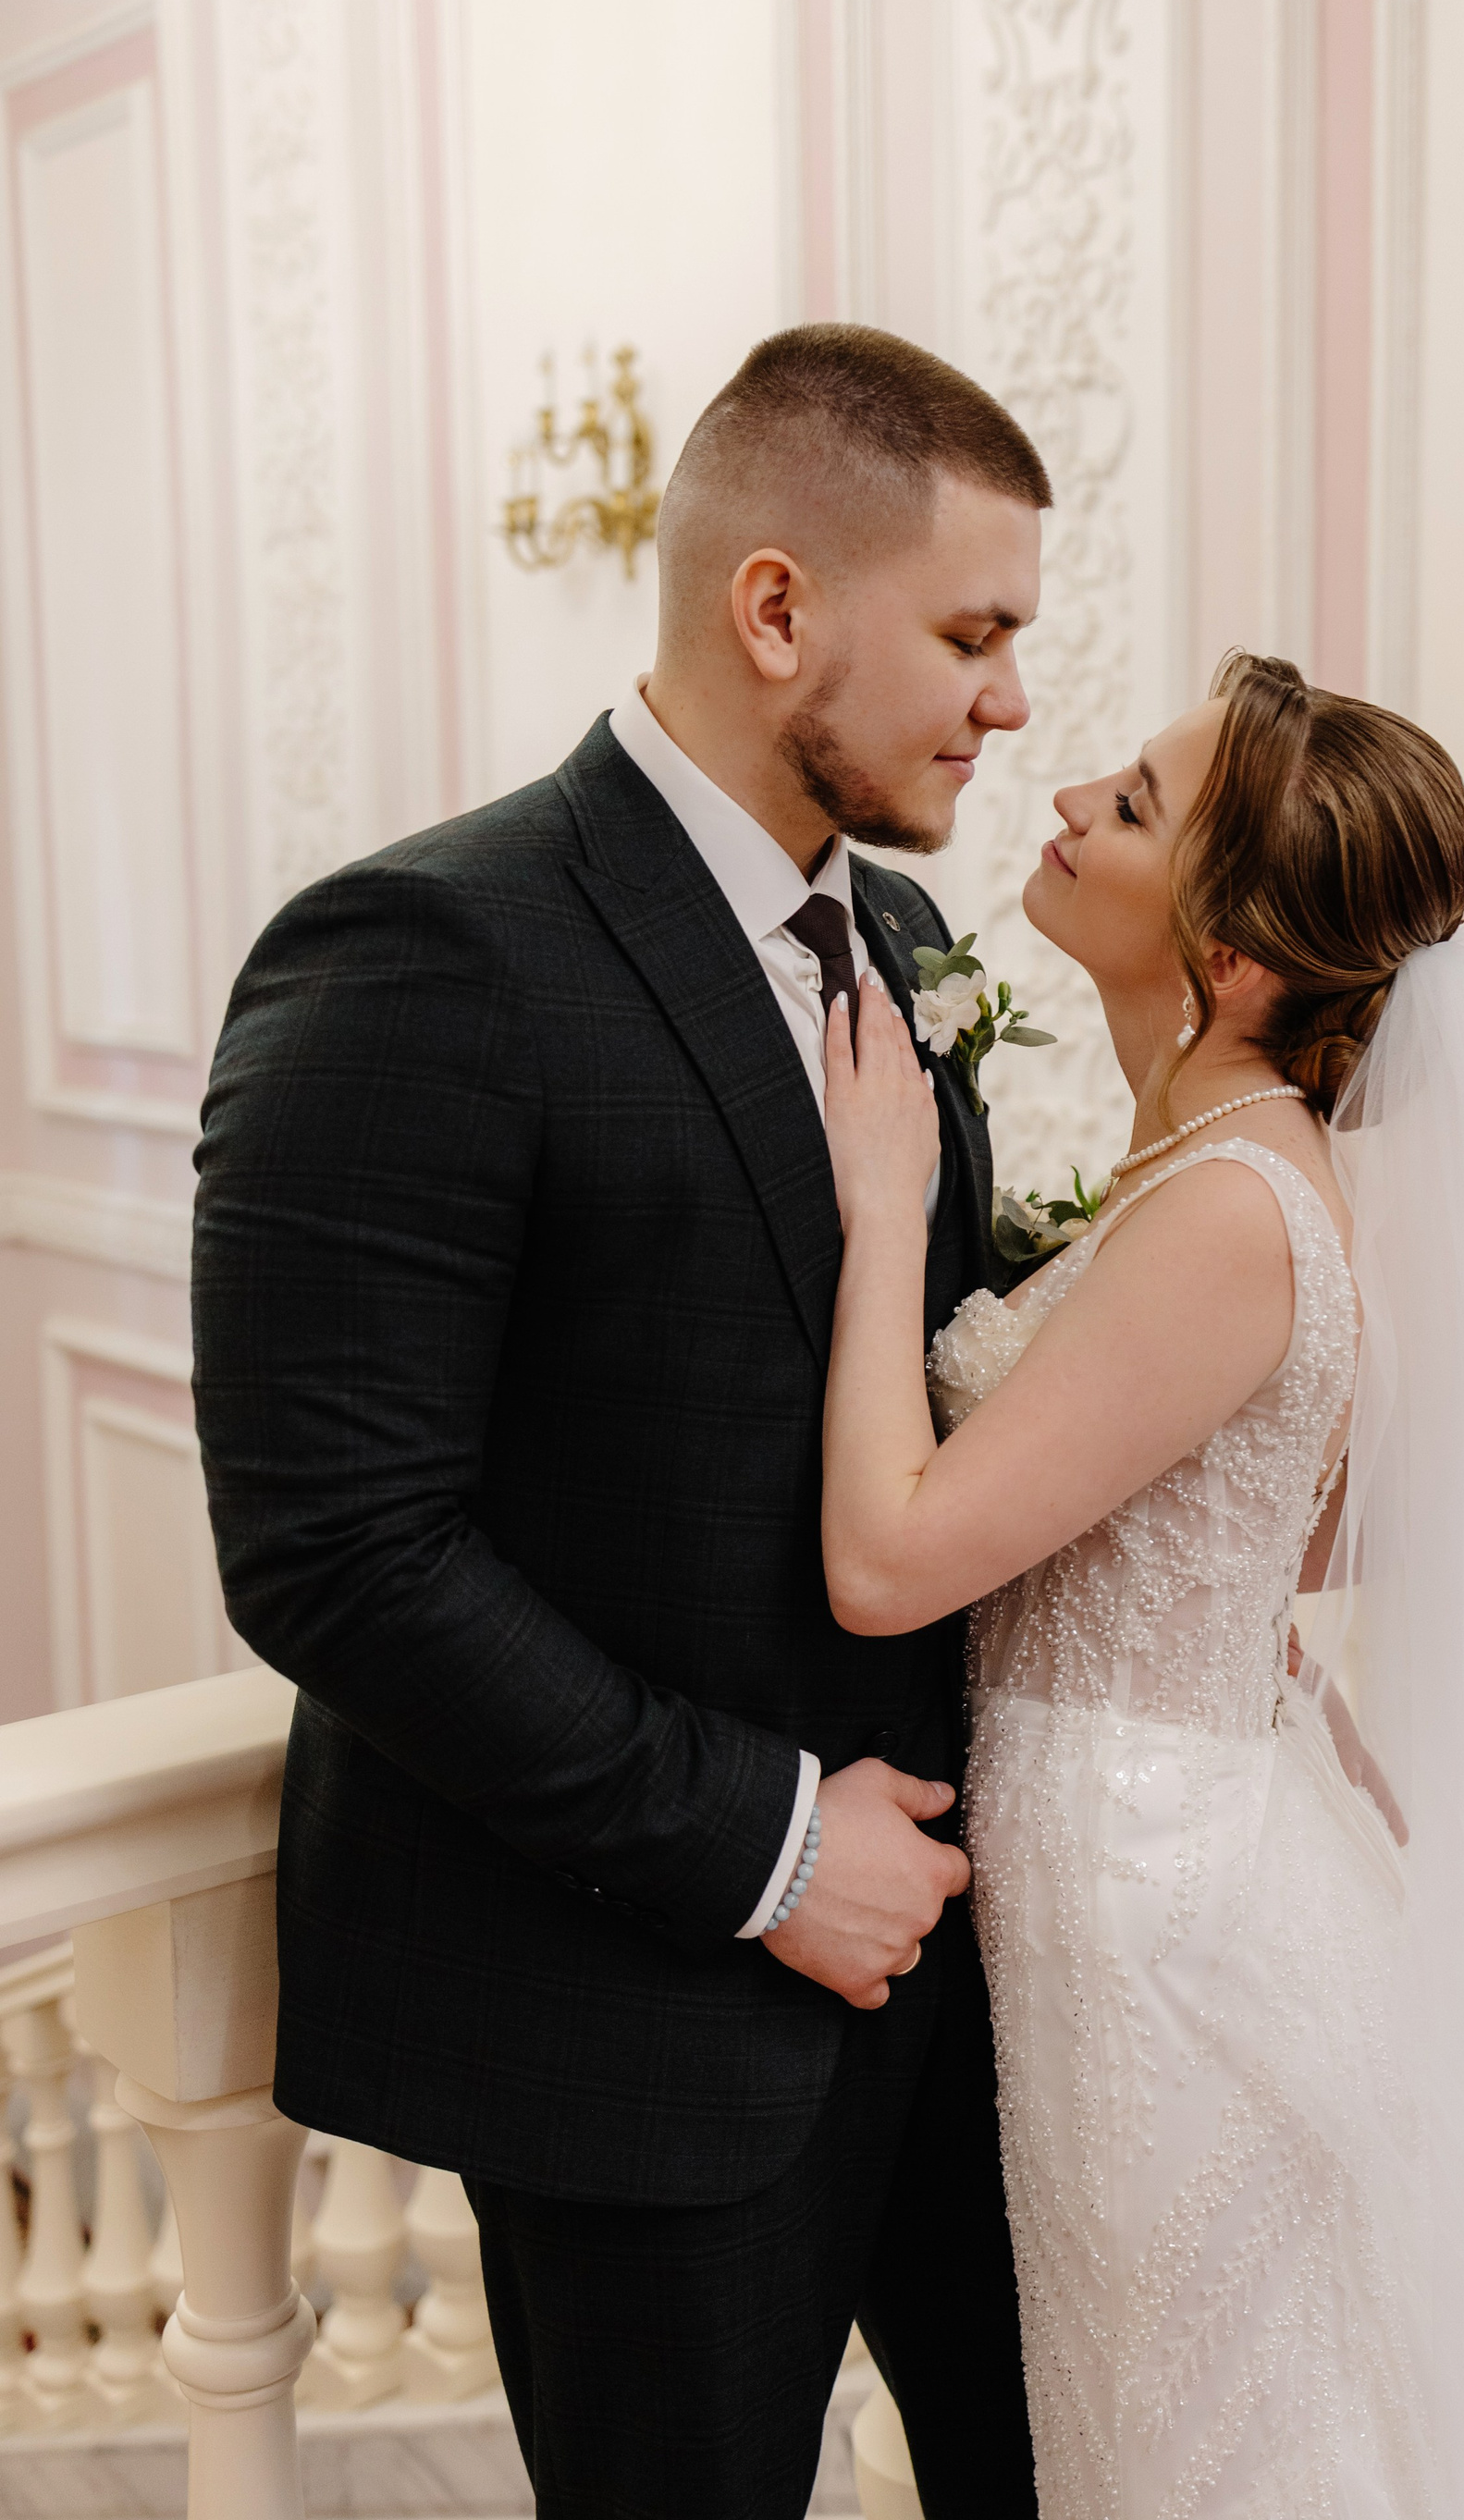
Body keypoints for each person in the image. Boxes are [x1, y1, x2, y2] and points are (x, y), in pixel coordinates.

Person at [190, 325, 1050, 2520]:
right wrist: (772, 1853)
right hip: (640, 2012)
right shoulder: (422, 954)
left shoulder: (904, 935)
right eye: (972, 636)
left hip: (974, 1987)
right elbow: (337, 1551)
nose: (1012, 703)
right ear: (776, 610)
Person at [818, 651, 1464, 2517]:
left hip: (1158, 1922)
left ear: (1235, 958)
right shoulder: (1217, 1168)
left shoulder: (1230, 1212)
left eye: (1136, 804)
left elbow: (888, 1558)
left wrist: (874, 1210)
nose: (1071, 797)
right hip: (1157, 1860)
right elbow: (1254, 1541)